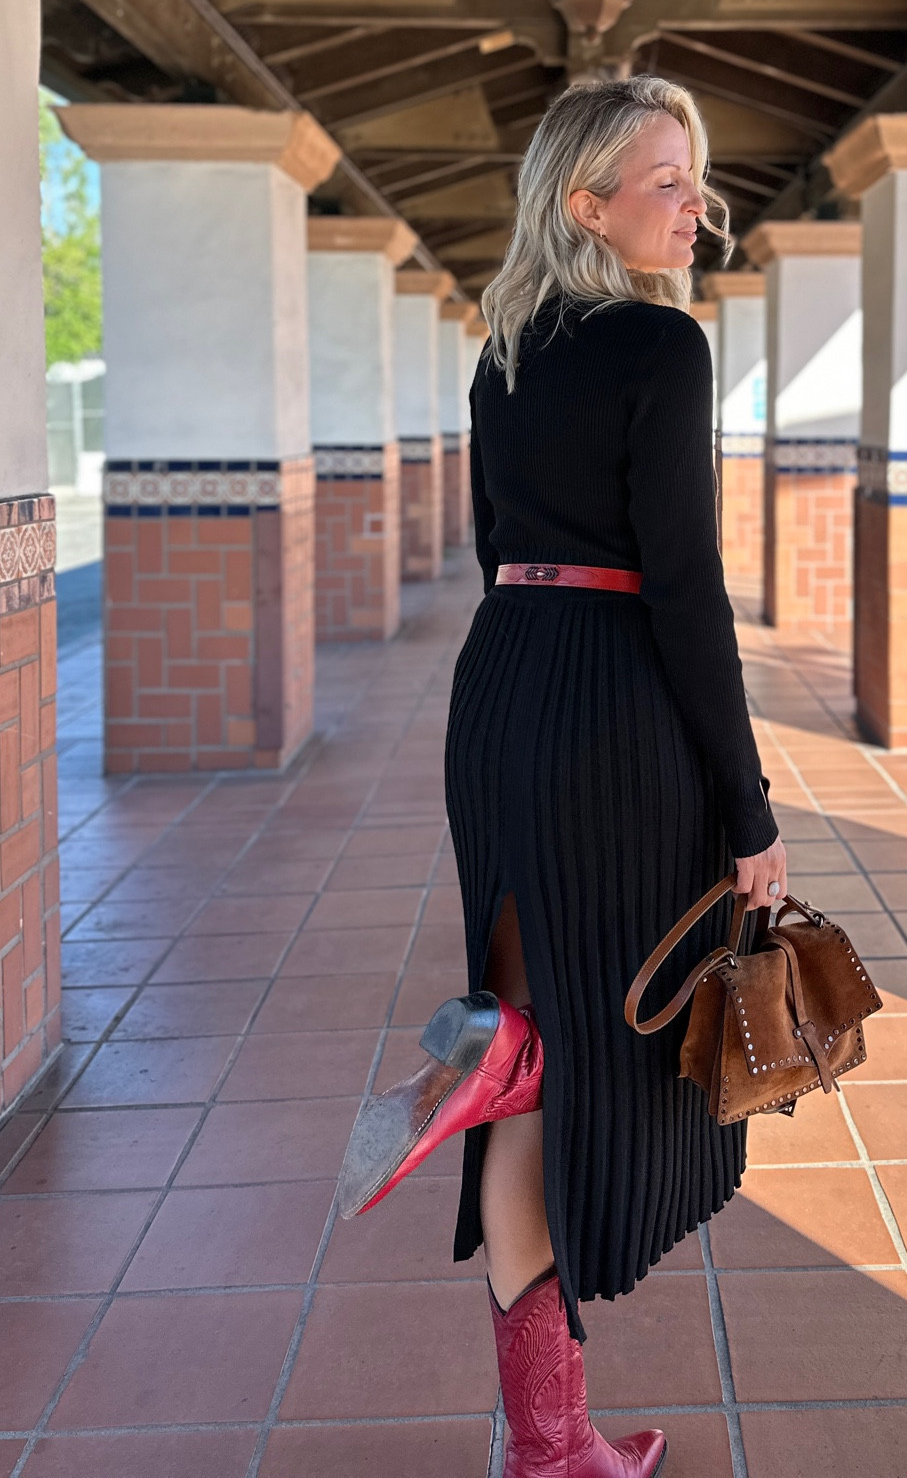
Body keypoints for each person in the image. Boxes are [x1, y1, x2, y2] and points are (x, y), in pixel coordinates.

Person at [338, 74, 786, 1475]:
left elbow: (492, 544)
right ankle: (549, 1440)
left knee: (528, 1049)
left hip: (508, 687)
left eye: (694, 174)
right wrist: (750, 807)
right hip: (614, 714)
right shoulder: (663, 345)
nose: (694, 200)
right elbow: (686, 591)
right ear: (589, 205)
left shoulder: (506, 347)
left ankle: (552, 1438)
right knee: (595, 1050)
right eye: (666, 177)